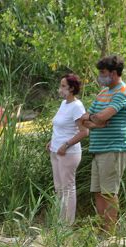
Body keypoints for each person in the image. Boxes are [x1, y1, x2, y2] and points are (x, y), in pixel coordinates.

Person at [77, 55, 126, 231]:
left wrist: (97, 119)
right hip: (98, 149)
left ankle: (110, 235)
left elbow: (102, 116)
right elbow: (83, 120)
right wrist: (96, 121)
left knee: (109, 192)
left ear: (114, 73)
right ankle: (102, 231)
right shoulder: (104, 92)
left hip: (114, 148)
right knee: (98, 192)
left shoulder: (123, 92)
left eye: (103, 72)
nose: (100, 76)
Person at [46, 73, 87, 223]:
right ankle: (59, 222)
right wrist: (52, 142)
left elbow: (84, 132)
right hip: (55, 150)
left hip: (68, 153)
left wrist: (66, 145)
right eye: (61, 85)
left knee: (68, 188)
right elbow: (60, 126)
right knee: (59, 188)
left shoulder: (77, 106)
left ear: (71, 88)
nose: (60, 89)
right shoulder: (64, 104)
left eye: (63, 86)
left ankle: (67, 225)